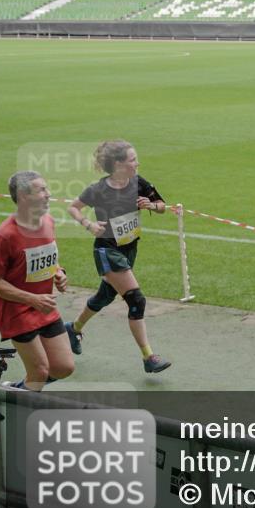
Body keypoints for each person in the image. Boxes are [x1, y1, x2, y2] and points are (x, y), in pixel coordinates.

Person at [63, 140, 171, 373]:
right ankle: (148, 357)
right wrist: (88, 224)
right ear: (118, 164)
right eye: (132, 159)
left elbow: (163, 205)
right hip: (106, 250)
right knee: (136, 299)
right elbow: (73, 207)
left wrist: (150, 206)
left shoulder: (138, 183)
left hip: (129, 248)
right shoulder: (98, 189)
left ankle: (74, 328)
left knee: (105, 296)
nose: (137, 162)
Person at [0, 171, 74, 390]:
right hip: (17, 313)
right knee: (40, 372)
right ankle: (20, 414)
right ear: (24, 197)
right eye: (41, 190)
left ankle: (15, 391)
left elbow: (48, 257)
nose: (48, 194)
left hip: (44, 308)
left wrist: (59, 273)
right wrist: (32, 298)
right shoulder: (5, 236)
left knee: (64, 367)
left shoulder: (48, 221)